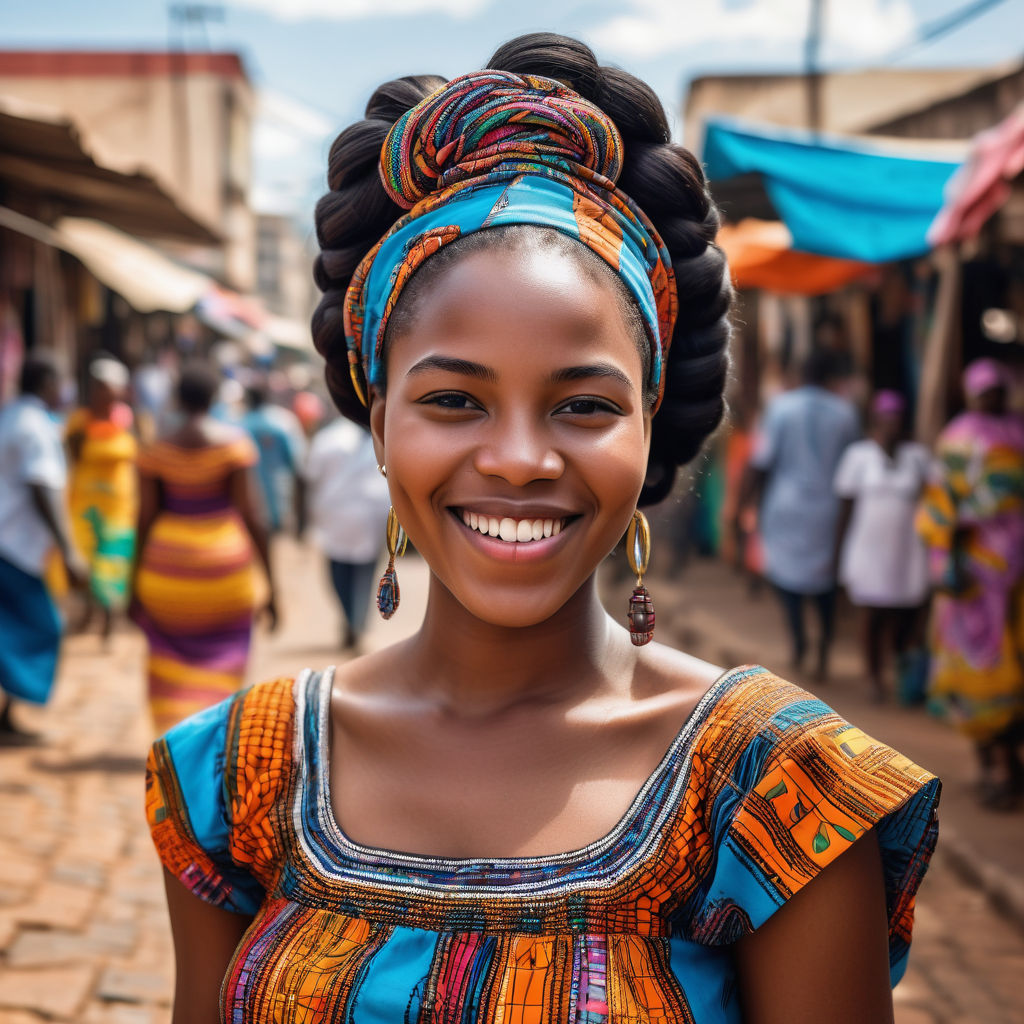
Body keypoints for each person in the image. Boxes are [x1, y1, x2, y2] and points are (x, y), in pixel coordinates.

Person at [146, 36, 939, 1024]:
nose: (520, 457)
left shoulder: (781, 796)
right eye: (453, 399)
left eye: (583, 406)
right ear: (377, 417)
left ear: (652, 433)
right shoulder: (236, 776)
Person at [132, 362, 278, 735]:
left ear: (179, 398)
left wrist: (132, 586)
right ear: (214, 397)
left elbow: (144, 519)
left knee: (167, 659)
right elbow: (254, 517)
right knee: (225, 656)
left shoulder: (157, 450)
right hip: (223, 568)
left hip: (168, 570)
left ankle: (175, 734)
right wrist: (273, 589)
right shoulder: (234, 446)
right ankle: (215, 733)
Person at [916, 359, 1024, 809]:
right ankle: (992, 764)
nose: (992, 399)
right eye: (984, 392)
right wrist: (947, 561)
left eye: (997, 390)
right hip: (975, 577)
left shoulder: (1018, 432)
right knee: (977, 667)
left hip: (1015, 571)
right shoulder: (959, 437)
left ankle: (1006, 764)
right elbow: (941, 505)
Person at [745, 345, 860, 681]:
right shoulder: (845, 412)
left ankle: (799, 643)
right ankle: (823, 646)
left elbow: (761, 462)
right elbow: (854, 464)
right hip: (828, 510)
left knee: (786, 578)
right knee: (825, 581)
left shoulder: (780, 408)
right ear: (830, 378)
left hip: (785, 506)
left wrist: (742, 504)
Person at [0, 354, 85, 738]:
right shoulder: (35, 427)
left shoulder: (13, 416)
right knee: (40, 627)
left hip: (14, 543)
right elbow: (42, 488)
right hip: (14, 546)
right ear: (48, 383)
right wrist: (69, 551)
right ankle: (9, 715)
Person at [833, 391, 931, 702]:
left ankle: (902, 676)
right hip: (868, 548)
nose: (892, 424)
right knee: (872, 613)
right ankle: (874, 676)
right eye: (886, 418)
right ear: (875, 420)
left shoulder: (918, 457)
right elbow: (845, 508)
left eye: (897, 418)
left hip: (907, 549)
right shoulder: (858, 456)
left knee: (904, 614)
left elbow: (933, 503)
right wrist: (837, 552)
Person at [299, 416, 390, 649]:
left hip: (341, 517)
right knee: (362, 574)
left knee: (341, 571)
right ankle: (355, 620)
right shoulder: (380, 436)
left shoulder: (328, 438)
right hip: (361, 517)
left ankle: (353, 620)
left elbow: (309, 478)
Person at [66, 355, 139, 642]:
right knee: (86, 559)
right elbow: (72, 457)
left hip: (119, 505)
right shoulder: (79, 423)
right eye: (101, 388)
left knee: (112, 562)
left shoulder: (128, 420)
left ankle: (108, 618)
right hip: (86, 504)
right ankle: (88, 613)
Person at [241, 382, 305, 534]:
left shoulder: (240, 425)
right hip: (277, 489)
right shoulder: (281, 422)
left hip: (250, 492)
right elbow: (295, 457)